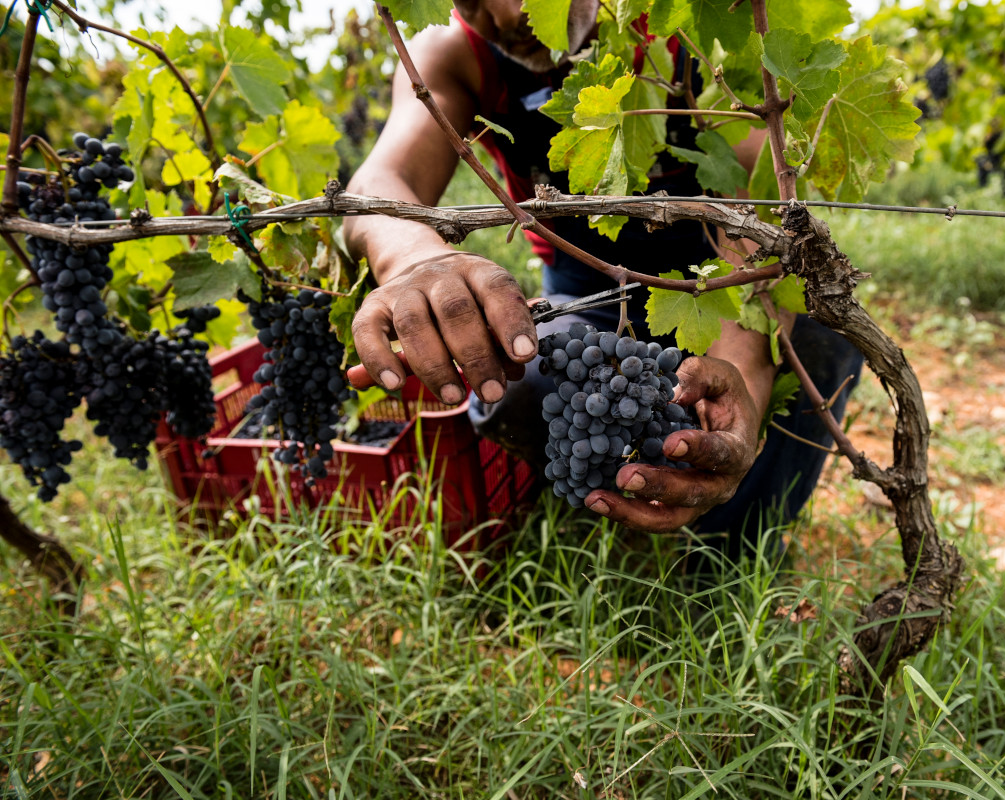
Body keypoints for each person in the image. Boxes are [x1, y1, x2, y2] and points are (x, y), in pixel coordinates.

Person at [346, 0, 863, 546]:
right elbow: (378, 181)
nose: (506, 14)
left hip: (719, 282)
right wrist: (414, 256)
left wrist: (742, 369)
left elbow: (759, 213)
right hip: (584, 292)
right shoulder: (455, 54)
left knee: (818, 336)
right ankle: (609, 507)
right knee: (520, 383)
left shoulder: (692, 24)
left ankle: (735, 545)